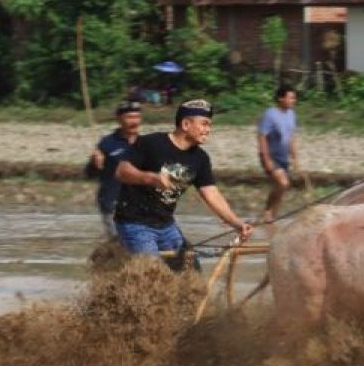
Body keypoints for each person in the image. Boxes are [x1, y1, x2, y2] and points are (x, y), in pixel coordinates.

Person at [114, 99, 253, 260]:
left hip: (166, 225)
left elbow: (211, 194)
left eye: (209, 125)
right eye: (204, 124)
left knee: (190, 270)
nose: (208, 130)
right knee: (151, 273)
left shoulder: (200, 158)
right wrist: (150, 178)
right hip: (135, 223)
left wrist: (237, 224)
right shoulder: (151, 143)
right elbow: (121, 171)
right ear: (186, 125)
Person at [88, 99, 142, 238]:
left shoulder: (146, 143)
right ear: (119, 119)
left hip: (140, 204)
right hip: (112, 202)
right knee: (119, 243)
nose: (134, 121)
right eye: (129, 117)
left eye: (137, 117)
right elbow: (89, 174)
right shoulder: (107, 143)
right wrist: (94, 161)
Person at [258, 86, 299, 224]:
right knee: (283, 183)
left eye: (294, 98)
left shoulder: (291, 114)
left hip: (283, 157)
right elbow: (262, 137)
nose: (293, 100)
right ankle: (268, 211)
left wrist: (294, 158)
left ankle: (271, 217)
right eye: (291, 97)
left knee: (281, 187)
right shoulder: (270, 114)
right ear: (281, 98)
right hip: (271, 156)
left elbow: (291, 137)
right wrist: (266, 159)